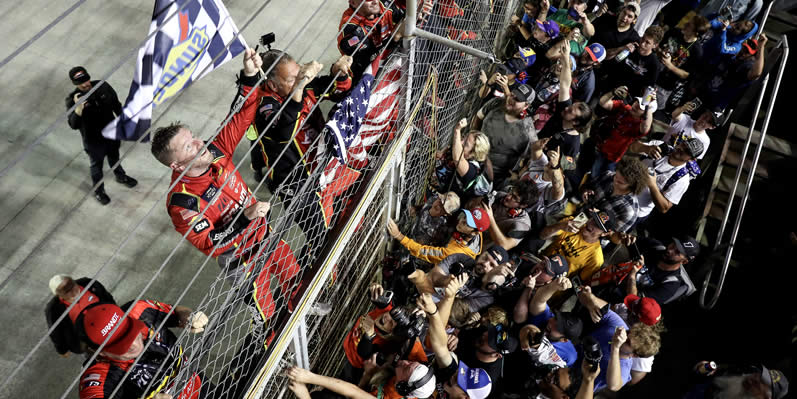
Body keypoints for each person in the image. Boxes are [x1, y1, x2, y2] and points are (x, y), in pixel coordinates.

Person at [150, 50, 301, 323]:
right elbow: (210, 243)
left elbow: (241, 113)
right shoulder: (182, 202)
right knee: (265, 315)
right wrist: (245, 218)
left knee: (294, 278)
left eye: (193, 136)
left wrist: (249, 74)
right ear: (176, 166)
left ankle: (304, 314)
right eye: (189, 146)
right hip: (241, 261)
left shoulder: (216, 150)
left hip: (265, 232)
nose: (199, 143)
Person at [252, 50, 353, 195]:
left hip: (324, 163)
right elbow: (284, 132)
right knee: (319, 218)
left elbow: (338, 91)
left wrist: (338, 72)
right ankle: (257, 167)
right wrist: (298, 88)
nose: (301, 79)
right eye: (292, 79)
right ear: (274, 86)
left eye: (299, 73)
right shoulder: (263, 106)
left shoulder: (302, 84)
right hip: (297, 183)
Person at [76, 301, 209, 399]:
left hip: (195, 378)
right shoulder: (99, 378)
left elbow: (176, 311)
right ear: (98, 352)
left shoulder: (139, 310)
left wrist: (188, 316)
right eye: (121, 344)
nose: (134, 343)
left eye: (130, 330)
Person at [65, 66, 138, 205]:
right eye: (81, 83)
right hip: (93, 141)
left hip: (111, 134)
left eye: (87, 80)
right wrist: (78, 109)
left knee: (114, 157)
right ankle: (99, 191)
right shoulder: (72, 100)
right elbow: (73, 125)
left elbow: (116, 105)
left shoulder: (102, 86)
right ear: (75, 84)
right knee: (96, 166)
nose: (86, 84)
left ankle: (120, 176)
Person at [471, 84, 538, 186]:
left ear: (526, 106)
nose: (512, 99)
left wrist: (518, 174)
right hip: (471, 155)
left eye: (517, 99)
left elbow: (532, 157)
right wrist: (472, 137)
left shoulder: (528, 128)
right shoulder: (497, 102)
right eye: (512, 94)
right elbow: (479, 117)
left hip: (489, 174)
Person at [590, 85, 655, 177]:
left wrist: (649, 106)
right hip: (597, 143)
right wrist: (613, 92)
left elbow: (645, 127)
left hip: (611, 156)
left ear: (645, 113)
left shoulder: (639, 126)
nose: (636, 105)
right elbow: (603, 103)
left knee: (597, 177)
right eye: (637, 102)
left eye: (641, 107)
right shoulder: (624, 108)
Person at [387, 208, 490, 265]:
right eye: (465, 217)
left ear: (474, 233)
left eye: (467, 224)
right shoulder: (475, 234)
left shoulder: (455, 253)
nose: (461, 221)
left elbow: (425, 251)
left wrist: (399, 236)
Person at [45, 275, 115, 356]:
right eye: (66, 291)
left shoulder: (89, 284)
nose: (73, 291)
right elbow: (56, 332)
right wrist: (62, 350)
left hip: (109, 323)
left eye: (72, 285)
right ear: (59, 295)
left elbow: (108, 298)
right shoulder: (54, 309)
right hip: (88, 340)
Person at [636, 138, 704, 220]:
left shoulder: (682, 179)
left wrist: (653, 185)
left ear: (692, 159)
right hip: (619, 186)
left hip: (635, 209)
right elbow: (631, 147)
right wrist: (646, 148)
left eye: (687, 151)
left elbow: (664, 208)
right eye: (683, 144)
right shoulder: (660, 146)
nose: (681, 149)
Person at [538, 209, 614, 283]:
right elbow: (542, 235)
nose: (591, 224)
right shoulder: (572, 223)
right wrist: (559, 226)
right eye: (593, 219)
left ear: (605, 233)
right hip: (539, 263)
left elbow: (576, 284)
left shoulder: (596, 258)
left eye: (597, 225)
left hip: (552, 283)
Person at [654, 14, 710, 110]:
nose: (685, 24)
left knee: (651, 110)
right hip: (652, 71)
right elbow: (656, 45)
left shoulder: (696, 50)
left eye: (689, 25)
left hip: (664, 85)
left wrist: (670, 65)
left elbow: (686, 75)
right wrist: (660, 51)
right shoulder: (675, 31)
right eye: (688, 22)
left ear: (696, 32)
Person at [338, 0, 405, 79]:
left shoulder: (382, 5)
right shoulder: (351, 29)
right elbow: (371, 60)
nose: (375, 1)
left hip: (392, 54)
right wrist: (396, 36)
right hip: (367, 75)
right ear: (353, 3)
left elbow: (403, 17)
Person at [580, 157, 648, 233]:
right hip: (578, 216)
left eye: (620, 182)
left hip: (589, 236)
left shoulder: (629, 211)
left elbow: (612, 236)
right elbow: (586, 186)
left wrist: (598, 218)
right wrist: (585, 191)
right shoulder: (608, 175)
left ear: (632, 186)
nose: (614, 181)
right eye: (616, 176)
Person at [626, 236, 700, 304]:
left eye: (677, 252)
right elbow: (631, 240)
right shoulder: (656, 247)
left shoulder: (671, 284)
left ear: (684, 262)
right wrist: (627, 238)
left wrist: (632, 275)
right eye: (673, 245)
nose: (670, 250)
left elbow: (634, 300)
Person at [633, 103, 718, 161]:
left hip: (674, 161)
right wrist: (682, 108)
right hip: (658, 148)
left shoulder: (705, 140)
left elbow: (694, 159)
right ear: (702, 114)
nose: (704, 121)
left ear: (712, 127)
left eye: (709, 122)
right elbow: (675, 115)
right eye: (705, 116)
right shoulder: (686, 119)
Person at [433, 119, 492, 201]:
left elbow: (458, 159)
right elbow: (440, 155)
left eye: (466, 144)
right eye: (464, 137)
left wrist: (457, 130)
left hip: (441, 201)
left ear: (473, 154)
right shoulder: (456, 149)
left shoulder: (472, 171)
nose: (460, 142)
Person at [601, 26, 664, 98]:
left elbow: (647, 89)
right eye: (643, 38)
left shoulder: (654, 63)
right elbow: (605, 56)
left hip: (627, 98)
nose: (642, 44)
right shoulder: (631, 43)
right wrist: (622, 48)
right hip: (609, 88)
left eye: (647, 42)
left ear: (655, 45)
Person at [482, 180, 541, 250]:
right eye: (511, 191)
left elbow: (504, 246)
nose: (508, 197)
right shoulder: (501, 196)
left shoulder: (523, 225)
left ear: (523, 205)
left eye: (514, 198)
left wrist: (490, 218)